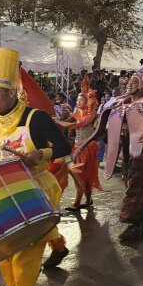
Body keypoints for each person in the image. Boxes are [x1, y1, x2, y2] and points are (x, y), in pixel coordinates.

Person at [0, 47, 71, 286]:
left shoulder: (36, 117)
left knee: (25, 258)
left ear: (11, 92)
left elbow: (63, 146)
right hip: (9, 194)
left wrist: (41, 153)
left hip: (39, 192)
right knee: (4, 258)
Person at [76, 51, 143, 240]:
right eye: (129, 82)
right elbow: (104, 128)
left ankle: (131, 222)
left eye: (134, 82)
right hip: (126, 151)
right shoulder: (120, 104)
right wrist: (86, 144)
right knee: (133, 183)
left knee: (135, 185)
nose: (129, 85)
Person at [64, 78, 102, 211]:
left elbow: (79, 124)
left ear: (87, 101)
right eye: (78, 100)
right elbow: (69, 121)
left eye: (81, 100)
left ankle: (77, 202)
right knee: (80, 174)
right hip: (77, 146)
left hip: (87, 147)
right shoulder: (77, 112)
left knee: (81, 174)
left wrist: (64, 124)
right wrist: (58, 119)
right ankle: (88, 199)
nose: (78, 102)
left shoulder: (91, 114)